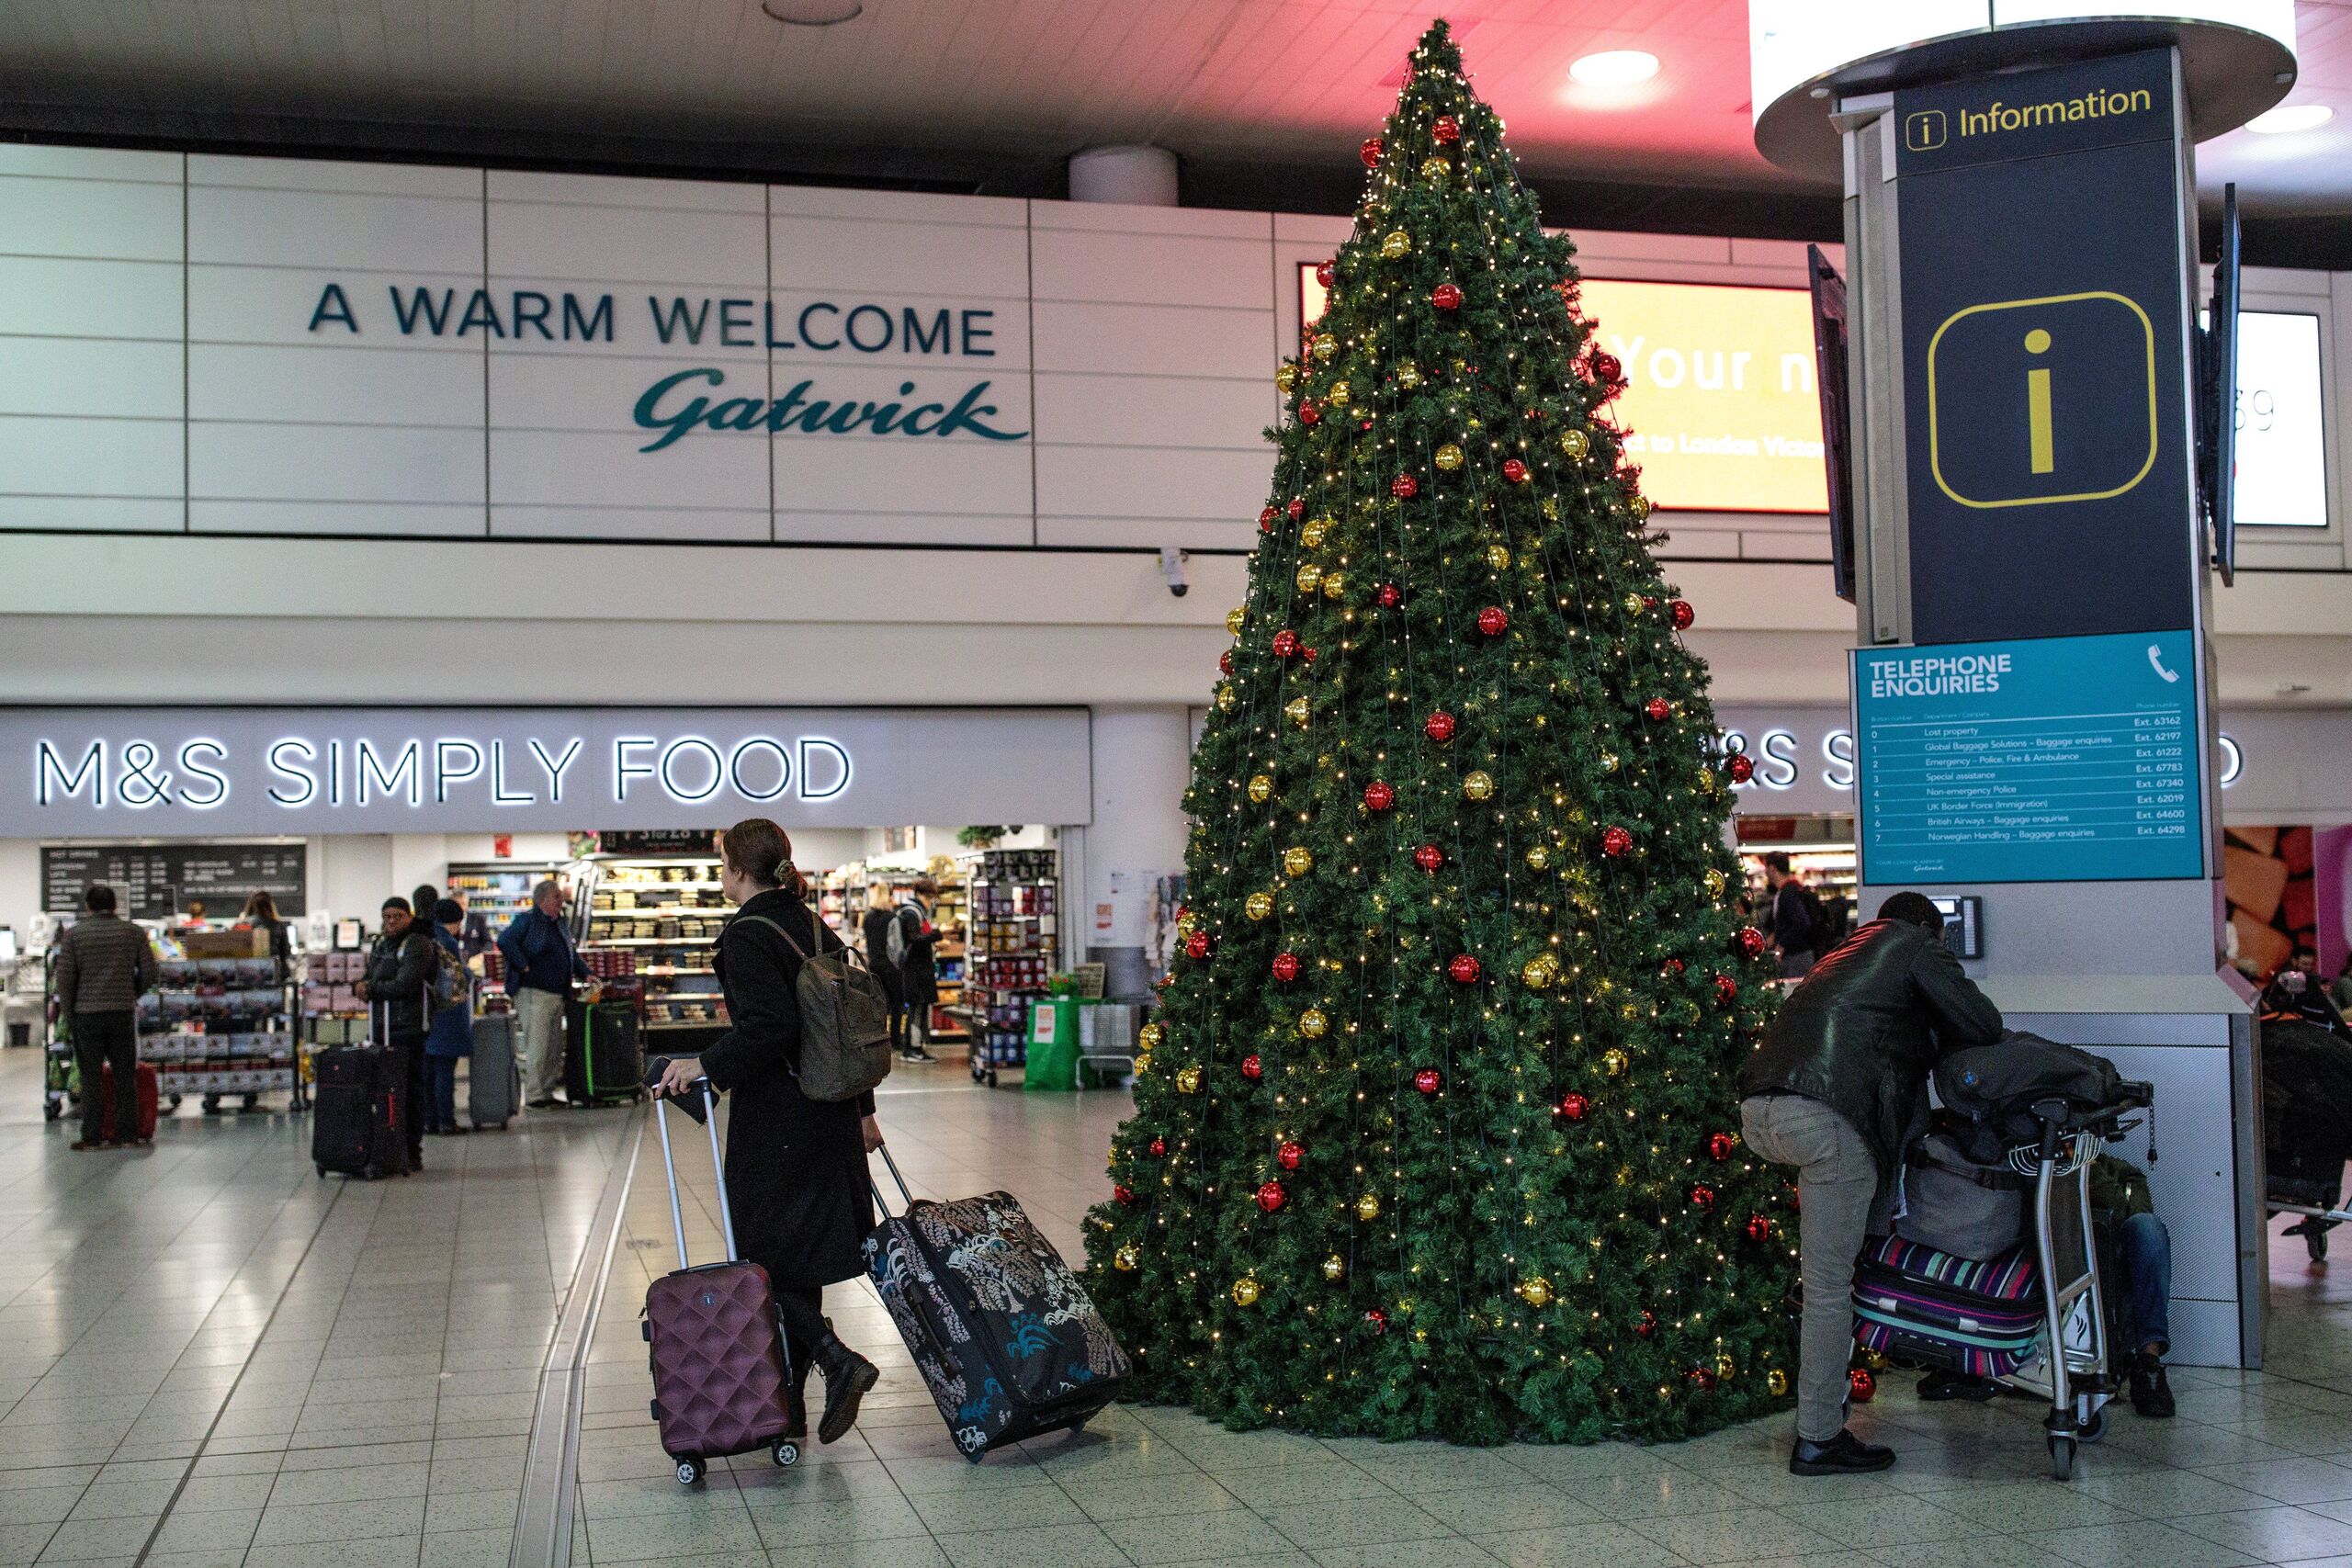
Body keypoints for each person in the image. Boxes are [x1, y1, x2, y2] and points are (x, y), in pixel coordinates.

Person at [1738, 890, 2005, 1475]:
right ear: (1931, 932)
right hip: (1826, 1116)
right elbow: (1983, 1023)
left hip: (1761, 1111)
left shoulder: (1840, 954)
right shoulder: (1914, 945)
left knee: (1825, 1271)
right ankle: (1818, 1438)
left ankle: (1821, 1408)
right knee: (1831, 1286)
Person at [652, 818, 883, 1447]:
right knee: (796, 1257)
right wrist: (862, 1107)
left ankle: (838, 1358)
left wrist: (708, 1064)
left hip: (780, 1116)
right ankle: (794, 1407)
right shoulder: (809, 922)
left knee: (758, 1254)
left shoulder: (748, 935)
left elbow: (772, 1026)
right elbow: (847, 1021)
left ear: (734, 867)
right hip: (829, 1109)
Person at [53, 884, 159, 1151]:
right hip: (121, 1012)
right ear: (115, 905)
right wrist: (131, 993)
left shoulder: (74, 935)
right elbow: (149, 971)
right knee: (125, 1075)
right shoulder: (133, 932)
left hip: (86, 1014)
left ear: (88, 906)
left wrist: (69, 1011)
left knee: (91, 1077)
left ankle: (92, 1136)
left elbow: (64, 979)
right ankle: (127, 1135)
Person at [2089, 1155, 2175, 1417]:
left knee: (2147, 1228)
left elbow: (2127, 1216)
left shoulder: (2123, 1172)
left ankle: (2149, 1361)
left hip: (2115, 1271)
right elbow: (2114, 1204)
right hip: (2077, 1260)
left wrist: (2091, 1167)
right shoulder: (2053, 1163)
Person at [356, 895, 435, 1174]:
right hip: (383, 1027)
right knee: (385, 1090)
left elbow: (406, 984)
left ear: (409, 917)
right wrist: (366, 987)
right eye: (387, 916)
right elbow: (373, 976)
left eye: (397, 916)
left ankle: (412, 1151)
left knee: (410, 1089)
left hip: (408, 1027)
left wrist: (372, 990)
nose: (391, 921)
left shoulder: (417, 943)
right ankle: (388, 1147)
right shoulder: (382, 943)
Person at [498, 880, 591, 1110]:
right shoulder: (528, 920)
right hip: (534, 993)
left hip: (556, 993)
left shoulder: (559, 923)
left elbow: (570, 953)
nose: (562, 901)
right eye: (557, 897)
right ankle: (534, 1095)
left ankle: (546, 1092)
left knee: (552, 1047)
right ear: (543, 901)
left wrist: (586, 973)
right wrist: (523, 965)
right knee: (538, 1046)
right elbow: (504, 940)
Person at [423, 899, 473, 1137]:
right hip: (447, 1015)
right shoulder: (448, 941)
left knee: (429, 1071)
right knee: (445, 1071)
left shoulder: (425, 937)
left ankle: (429, 1120)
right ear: (455, 921)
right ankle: (446, 1120)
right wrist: (470, 973)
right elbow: (457, 978)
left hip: (428, 1015)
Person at [888, 878, 943, 1064]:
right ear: (922, 895)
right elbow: (914, 938)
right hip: (916, 969)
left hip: (915, 968)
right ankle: (913, 1048)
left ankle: (913, 1047)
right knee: (917, 1008)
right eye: (930, 898)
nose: (931, 902)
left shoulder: (910, 910)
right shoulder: (912, 912)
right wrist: (935, 935)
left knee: (917, 1007)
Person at [860, 884, 907, 1057]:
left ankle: (879, 1039)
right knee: (897, 1002)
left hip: (873, 965)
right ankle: (895, 1039)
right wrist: (899, 964)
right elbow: (895, 946)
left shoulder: (867, 917)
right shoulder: (892, 918)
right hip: (890, 967)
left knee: (879, 1003)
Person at [1761, 853, 1822, 979]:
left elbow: (1802, 922)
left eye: (1765, 867)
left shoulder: (1788, 893)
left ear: (1772, 868)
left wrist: (1781, 945)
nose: (1765, 872)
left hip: (1796, 956)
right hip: (1799, 955)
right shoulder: (1789, 890)